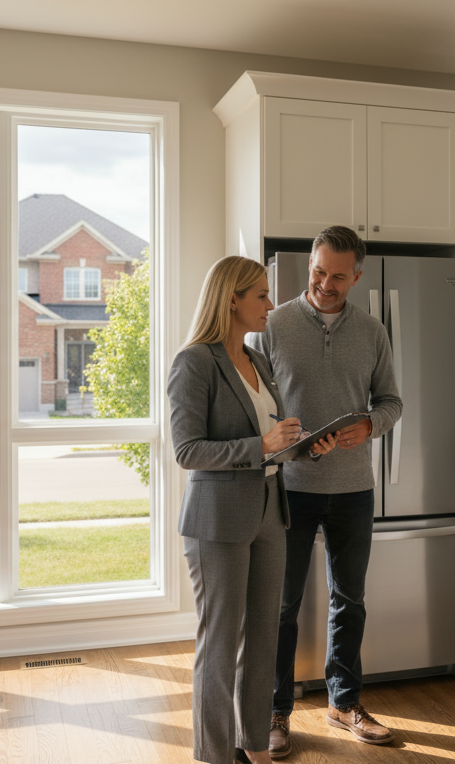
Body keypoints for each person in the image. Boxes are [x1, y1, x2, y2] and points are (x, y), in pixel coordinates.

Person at [168, 255, 336, 764]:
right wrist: (259, 446)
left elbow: (273, 439)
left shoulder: (257, 360)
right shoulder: (194, 362)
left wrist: (305, 445)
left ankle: (255, 747)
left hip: (269, 511)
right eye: (260, 295)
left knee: (263, 638)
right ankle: (214, 755)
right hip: (217, 519)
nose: (270, 303)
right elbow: (187, 451)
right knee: (220, 645)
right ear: (232, 299)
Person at [249, 225, 403, 758]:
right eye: (318, 271)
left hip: (354, 487)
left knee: (349, 600)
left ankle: (344, 702)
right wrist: (289, 440)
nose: (326, 283)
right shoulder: (272, 325)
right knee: (281, 604)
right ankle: (274, 711)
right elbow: (256, 405)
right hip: (289, 488)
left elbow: (390, 401)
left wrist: (371, 426)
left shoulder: (373, 331)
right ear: (309, 265)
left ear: (357, 276)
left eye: (339, 276)